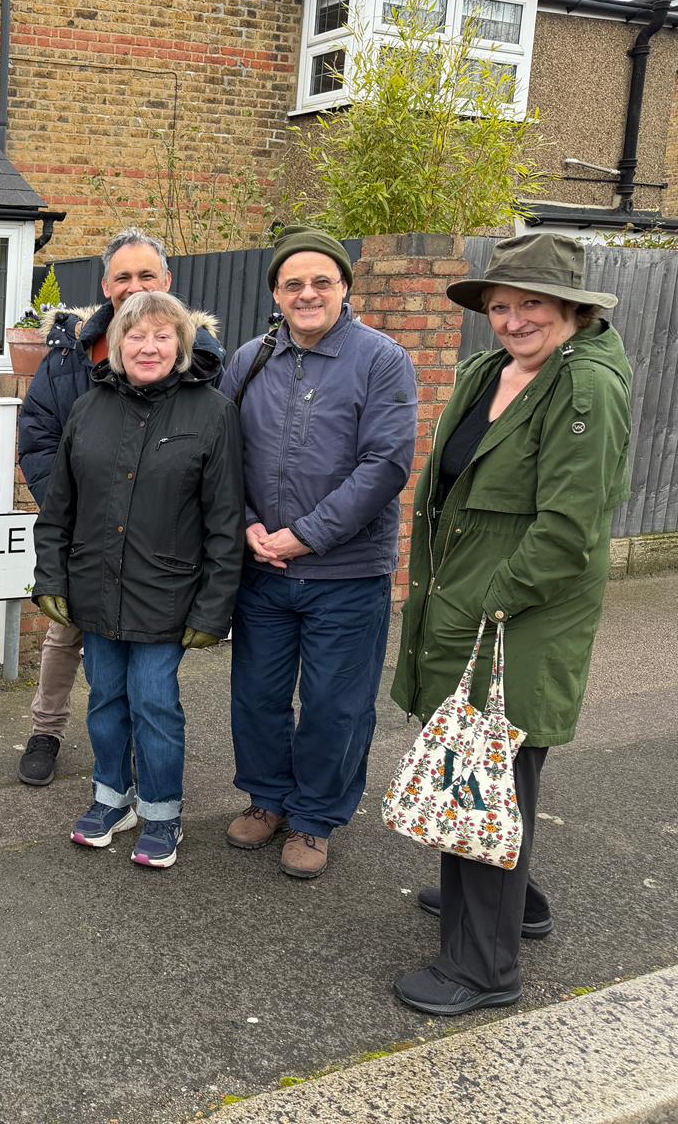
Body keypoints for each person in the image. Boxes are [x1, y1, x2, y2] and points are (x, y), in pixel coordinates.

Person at [389, 233, 630, 1016]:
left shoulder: (585, 388)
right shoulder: (492, 372)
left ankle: (482, 970)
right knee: (482, 780)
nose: (513, 319)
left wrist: (492, 602)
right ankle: (507, 903)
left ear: (570, 308)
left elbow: (568, 530)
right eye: (500, 305)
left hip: (514, 620)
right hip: (467, 610)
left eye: (531, 303)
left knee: (494, 777)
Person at [222, 226, 417, 879]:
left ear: (344, 288)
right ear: (276, 293)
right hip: (263, 569)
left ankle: (314, 819)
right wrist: (247, 523)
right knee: (257, 694)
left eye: (321, 282)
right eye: (293, 284)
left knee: (337, 702)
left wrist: (307, 533)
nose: (307, 294)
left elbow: (385, 464)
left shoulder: (381, 359)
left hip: (346, 571)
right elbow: (221, 455)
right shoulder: (249, 358)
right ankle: (268, 800)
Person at [31, 291, 242, 867]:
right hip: (94, 587)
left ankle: (162, 810)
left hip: (166, 594)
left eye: (162, 335)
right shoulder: (88, 408)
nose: (148, 346)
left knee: (154, 703)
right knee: (105, 701)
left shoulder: (213, 412)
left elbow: (225, 521)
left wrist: (213, 610)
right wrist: (50, 574)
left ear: (181, 345)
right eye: (136, 335)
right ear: (118, 343)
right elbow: (59, 509)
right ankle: (110, 798)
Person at [15, 228, 224, 787]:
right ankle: (46, 732)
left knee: (149, 688)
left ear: (168, 283)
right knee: (67, 642)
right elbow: (39, 434)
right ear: (105, 285)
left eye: (146, 275)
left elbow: (211, 464)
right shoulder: (71, 351)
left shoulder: (199, 356)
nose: (134, 286)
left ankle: (150, 790)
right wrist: (71, 502)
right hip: (88, 539)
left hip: (157, 552)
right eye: (123, 277)